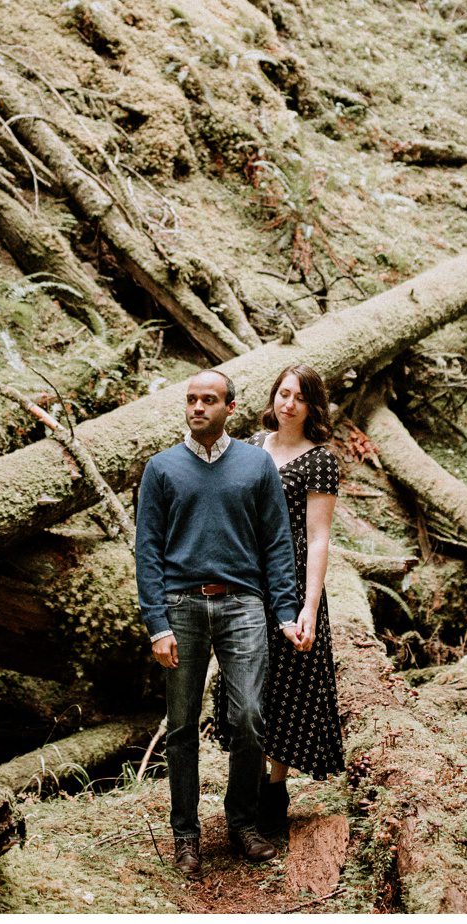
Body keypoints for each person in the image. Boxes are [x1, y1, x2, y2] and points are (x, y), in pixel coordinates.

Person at [134, 369, 301, 878]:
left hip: (243, 604)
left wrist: (286, 611)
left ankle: (242, 823)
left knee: (249, 716)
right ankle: (185, 836)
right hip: (181, 606)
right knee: (182, 725)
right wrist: (157, 623)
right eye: (191, 399)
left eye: (209, 399)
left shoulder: (256, 464)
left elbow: (277, 542)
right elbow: (147, 550)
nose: (197, 407)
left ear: (230, 407)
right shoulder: (161, 468)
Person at [213, 364, 345, 839]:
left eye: (300, 397)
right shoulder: (249, 447)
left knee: (290, 684)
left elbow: (319, 536)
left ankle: (274, 791)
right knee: (247, 684)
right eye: (284, 393)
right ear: (273, 397)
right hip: (247, 581)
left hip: (293, 584)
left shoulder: (321, 460)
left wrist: (309, 606)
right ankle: (245, 789)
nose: (289, 404)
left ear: (313, 406)